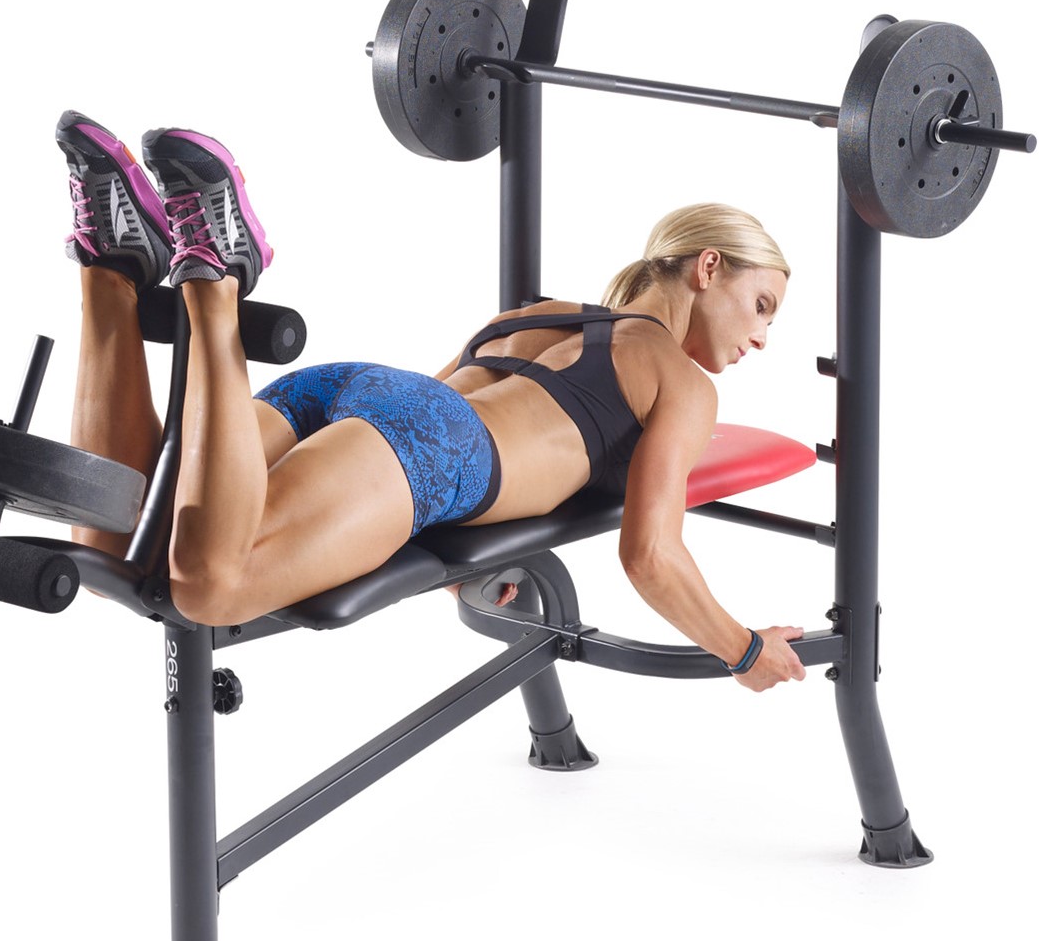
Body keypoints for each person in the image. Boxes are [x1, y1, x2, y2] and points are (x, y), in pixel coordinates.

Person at [57, 111, 806, 693]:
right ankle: (214, 271)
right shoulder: (682, 382)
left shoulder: (536, 314)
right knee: (210, 587)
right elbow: (651, 555)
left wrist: (450, 562)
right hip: (431, 444)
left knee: (114, 536)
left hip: (353, 388)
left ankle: (111, 269)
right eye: (762, 305)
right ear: (709, 267)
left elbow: (426, 413)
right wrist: (742, 651)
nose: (762, 336)